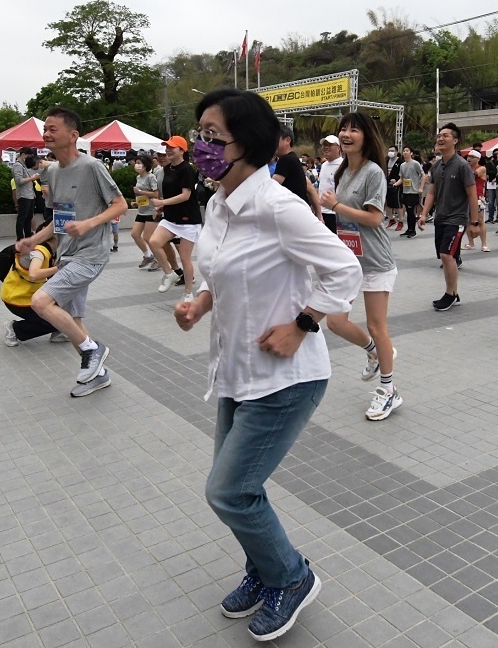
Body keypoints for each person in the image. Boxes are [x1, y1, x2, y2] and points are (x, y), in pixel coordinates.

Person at [173, 88, 361, 643]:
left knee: (230, 491)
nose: (202, 146)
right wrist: (199, 301)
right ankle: (264, 568)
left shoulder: (279, 207)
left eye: (213, 136)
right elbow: (214, 267)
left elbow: (344, 270)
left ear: (248, 143)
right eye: (199, 134)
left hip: (286, 380)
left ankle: (292, 577)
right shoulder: (216, 204)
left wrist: (303, 324)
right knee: (238, 487)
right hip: (236, 372)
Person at [17, 108, 127, 396]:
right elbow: (60, 218)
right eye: (45, 129)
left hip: (90, 254)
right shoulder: (51, 172)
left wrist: (89, 223)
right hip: (66, 254)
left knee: (41, 302)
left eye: (53, 129)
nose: (46, 134)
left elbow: (120, 205)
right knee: (74, 321)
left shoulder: (92, 167)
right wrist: (35, 240)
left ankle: (94, 349)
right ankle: (99, 374)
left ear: (73, 135)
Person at [317, 111, 402, 421]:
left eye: (354, 130)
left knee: (378, 326)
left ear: (367, 136)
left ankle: (388, 390)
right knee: (335, 322)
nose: (346, 134)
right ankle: (374, 353)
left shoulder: (373, 173)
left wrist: (336, 206)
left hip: (376, 262)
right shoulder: (342, 172)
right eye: (343, 129)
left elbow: (376, 218)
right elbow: (340, 220)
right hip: (349, 261)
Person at [418, 123, 479, 311]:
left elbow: (472, 194)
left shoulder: (462, 166)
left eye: (445, 135)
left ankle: (450, 294)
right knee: (444, 257)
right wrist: (424, 213)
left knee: (447, 255)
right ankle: (453, 293)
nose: (440, 139)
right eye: (439, 136)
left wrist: (474, 222)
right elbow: (432, 193)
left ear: (455, 140)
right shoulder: (437, 166)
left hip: (457, 218)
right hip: (440, 217)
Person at [149, 135, 201, 301]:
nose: (168, 150)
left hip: (188, 219)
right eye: (167, 147)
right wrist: (161, 208)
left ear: (182, 150)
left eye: (172, 147)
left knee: (185, 257)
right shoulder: (166, 169)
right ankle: (169, 273)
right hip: (170, 218)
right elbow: (170, 193)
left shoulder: (187, 169)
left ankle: (188, 292)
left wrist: (162, 202)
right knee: (154, 242)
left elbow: (185, 195)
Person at [2, 234, 67, 345]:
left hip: (27, 294)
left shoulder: (49, 250)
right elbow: (33, 274)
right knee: (54, 320)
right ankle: (14, 329)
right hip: (17, 298)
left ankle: (59, 331)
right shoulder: (39, 252)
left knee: (60, 309)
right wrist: (58, 269)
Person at [271, 127, 319, 216]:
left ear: (288, 140)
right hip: (302, 212)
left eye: (275, 139)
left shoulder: (285, 160)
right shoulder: (294, 159)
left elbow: (270, 188)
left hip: (294, 213)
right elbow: (311, 189)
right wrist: (319, 215)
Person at [129, 155, 160, 269]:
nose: (137, 165)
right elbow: (143, 196)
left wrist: (141, 191)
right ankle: (147, 255)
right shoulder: (138, 178)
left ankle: (158, 259)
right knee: (135, 234)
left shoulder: (151, 177)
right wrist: (137, 202)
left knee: (148, 237)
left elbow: (155, 194)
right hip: (142, 210)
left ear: (146, 165)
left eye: (139, 163)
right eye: (136, 162)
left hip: (151, 211)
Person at [463, 150, 490, 252]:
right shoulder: (466, 168)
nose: (469, 158)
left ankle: (484, 244)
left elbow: (472, 175)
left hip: (478, 197)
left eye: (472, 157)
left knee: (480, 221)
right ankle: (471, 243)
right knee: (467, 220)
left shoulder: (481, 168)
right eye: (468, 157)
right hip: (466, 197)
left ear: (478, 159)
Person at [11, 149, 41, 240]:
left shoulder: (25, 166)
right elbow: (19, 181)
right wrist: (32, 178)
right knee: (22, 217)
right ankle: (20, 237)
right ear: (23, 155)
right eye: (29, 156)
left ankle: (28, 235)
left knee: (29, 217)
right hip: (24, 195)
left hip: (30, 194)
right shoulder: (17, 165)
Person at [316, 135, 343, 232]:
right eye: (324, 145)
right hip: (321, 212)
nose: (326, 147)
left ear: (338, 148)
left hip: (335, 213)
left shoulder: (343, 165)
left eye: (330, 145)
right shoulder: (323, 165)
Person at [396, 146, 423, 238]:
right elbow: (401, 178)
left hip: (414, 191)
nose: (405, 152)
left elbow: (423, 176)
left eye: (407, 151)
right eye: (403, 151)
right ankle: (409, 229)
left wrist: (421, 187)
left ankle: (413, 231)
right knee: (408, 211)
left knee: (411, 212)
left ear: (411, 153)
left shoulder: (415, 164)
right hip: (405, 191)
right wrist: (395, 184)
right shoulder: (402, 165)